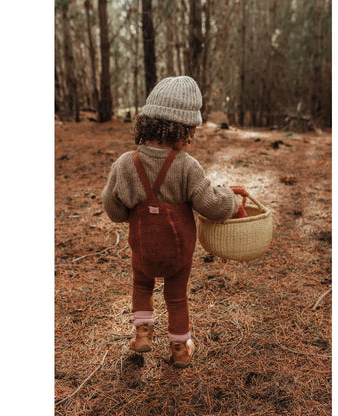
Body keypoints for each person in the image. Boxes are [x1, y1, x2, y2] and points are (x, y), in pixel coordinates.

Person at [102, 76, 245, 368]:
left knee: (142, 285)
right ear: (183, 128)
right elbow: (212, 206)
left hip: (143, 249)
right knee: (176, 297)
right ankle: (180, 350)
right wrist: (230, 197)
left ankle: (142, 334)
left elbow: (114, 211)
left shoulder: (125, 164)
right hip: (179, 253)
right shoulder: (187, 166)